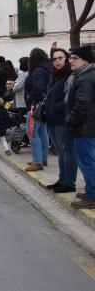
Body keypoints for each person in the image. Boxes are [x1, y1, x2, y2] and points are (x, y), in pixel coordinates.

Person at [65, 45, 95, 209]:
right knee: (89, 161)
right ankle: (91, 192)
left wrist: (70, 120)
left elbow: (82, 104)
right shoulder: (86, 74)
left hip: (85, 128)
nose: (71, 61)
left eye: (75, 58)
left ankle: (92, 197)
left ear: (85, 60)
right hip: (88, 127)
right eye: (70, 57)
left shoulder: (85, 78)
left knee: (87, 163)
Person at [45, 45, 76, 193]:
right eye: (54, 59)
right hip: (51, 120)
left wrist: (56, 108)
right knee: (60, 152)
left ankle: (69, 183)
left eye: (60, 58)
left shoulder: (70, 75)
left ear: (67, 59)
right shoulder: (54, 74)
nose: (57, 61)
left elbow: (69, 99)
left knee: (68, 152)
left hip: (63, 121)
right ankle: (62, 179)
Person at [24, 48, 52, 172]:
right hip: (44, 105)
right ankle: (43, 158)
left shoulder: (37, 71)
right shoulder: (47, 68)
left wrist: (30, 100)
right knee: (42, 132)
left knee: (31, 132)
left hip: (35, 106)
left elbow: (38, 89)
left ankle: (37, 161)